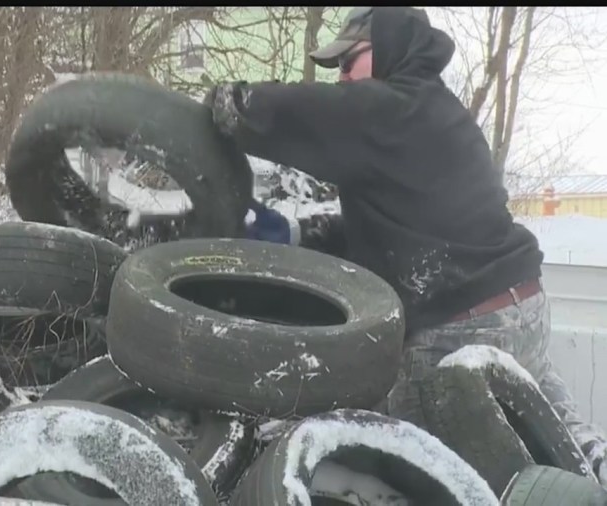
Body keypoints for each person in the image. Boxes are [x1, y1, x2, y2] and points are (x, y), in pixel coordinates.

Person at [203, 6, 607, 483]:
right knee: (562, 446)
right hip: (521, 312)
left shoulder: (387, 108)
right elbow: (405, 228)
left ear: (391, 49)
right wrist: (296, 233)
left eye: (350, 61)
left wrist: (227, 102)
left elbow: (288, 112)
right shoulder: (436, 112)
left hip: (456, 336)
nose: (344, 76)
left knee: (390, 467)